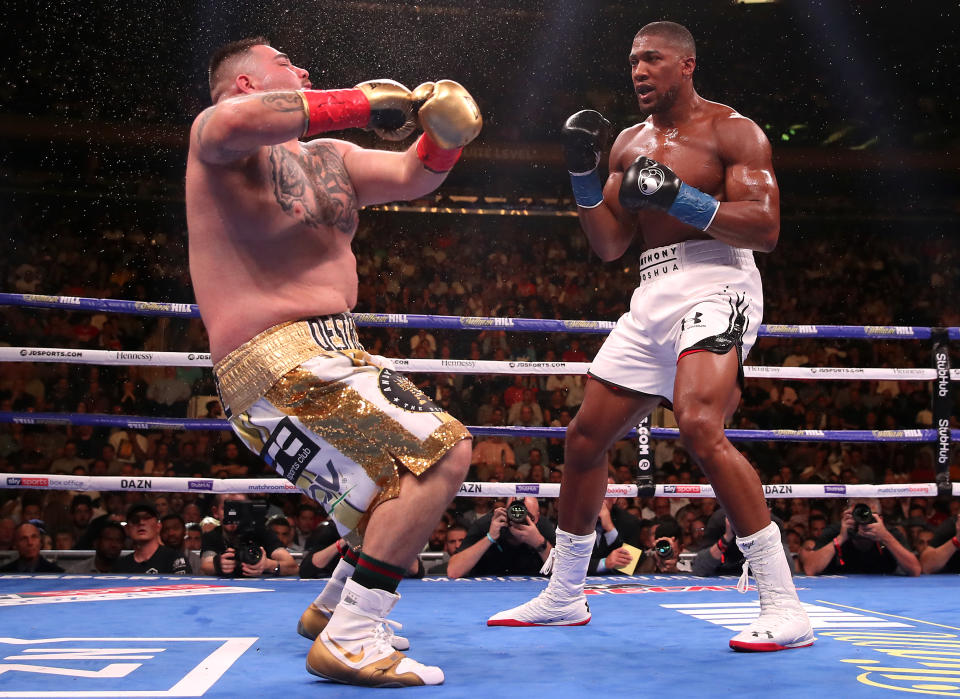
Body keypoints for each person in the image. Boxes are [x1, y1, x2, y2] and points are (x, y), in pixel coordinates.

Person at [488, 21, 813, 652]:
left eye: (653, 59)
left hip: (719, 282)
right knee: (583, 439)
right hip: (651, 289)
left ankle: (784, 602)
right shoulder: (628, 144)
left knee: (699, 426)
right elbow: (609, 244)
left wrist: (681, 198)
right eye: (633, 60)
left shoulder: (731, 131)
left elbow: (766, 228)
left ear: (686, 65)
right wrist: (585, 177)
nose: (639, 70)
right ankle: (565, 595)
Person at [186, 37, 479, 687]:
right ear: (244, 83)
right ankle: (351, 637)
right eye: (286, 62)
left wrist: (446, 139)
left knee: (386, 488)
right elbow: (235, 123)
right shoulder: (219, 136)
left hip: (335, 351)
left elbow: (412, 177)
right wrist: (356, 103)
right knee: (440, 451)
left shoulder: (330, 158)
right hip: (277, 358)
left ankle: (331, 609)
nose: (304, 69)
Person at [446, 497, 554, 578]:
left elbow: (564, 574)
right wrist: (490, 537)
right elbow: (453, 571)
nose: (519, 519)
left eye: (527, 516)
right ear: (505, 511)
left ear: (537, 518)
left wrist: (540, 543)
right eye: (514, 513)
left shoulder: (543, 528)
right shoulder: (488, 524)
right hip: (486, 592)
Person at [113, 504, 191, 575]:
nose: (141, 522)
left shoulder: (175, 559)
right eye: (135, 519)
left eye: (147, 517)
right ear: (127, 529)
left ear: (158, 526)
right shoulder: (120, 565)